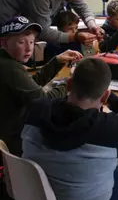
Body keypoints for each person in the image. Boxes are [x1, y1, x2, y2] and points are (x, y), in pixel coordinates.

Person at [22, 57, 118, 200]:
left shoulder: (37, 109)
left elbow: (57, 106)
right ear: (104, 96)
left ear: (68, 85)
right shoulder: (109, 127)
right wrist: (116, 101)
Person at [0, 16, 82, 156]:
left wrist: (56, 61)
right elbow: (43, 99)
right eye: (21, 42)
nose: (28, 48)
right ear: (4, 43)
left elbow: (30, 87)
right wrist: (70, 82)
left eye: (31, 42)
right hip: (16, 142)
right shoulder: (11, 68)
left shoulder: (6, 62)